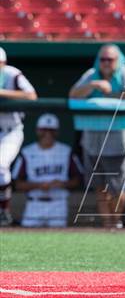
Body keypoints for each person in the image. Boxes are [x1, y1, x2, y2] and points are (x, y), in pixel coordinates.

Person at [69, 44, 125, 228]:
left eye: (110, 59)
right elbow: (73, 95)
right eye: (103, 59)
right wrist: (93, 85)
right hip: (92, 140)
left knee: (117, 188)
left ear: (118, 60)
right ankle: (106, 224)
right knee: (99, 187)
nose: (106, 63)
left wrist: (111, 93)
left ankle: (116, 222)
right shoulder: (91, 74)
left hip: (118, 140)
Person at [12, 114, 82, 227]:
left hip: (58, 203)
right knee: (27, 238)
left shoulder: (66, 151)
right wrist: (38, 185)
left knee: (58, 240)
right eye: (44, 130)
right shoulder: (27, 152)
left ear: (57, 132)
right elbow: (18, 184)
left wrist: (62, 183)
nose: (48, 134)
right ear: (37, 131)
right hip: (34, 203)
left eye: (51, 130)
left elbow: (77, 180)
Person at [0, 46, 37, 226]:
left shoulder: (12, 74)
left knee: (0, 166)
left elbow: (31, 96)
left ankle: (4, 211)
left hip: (10, 130)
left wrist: (3, 93)